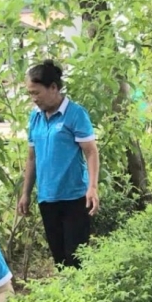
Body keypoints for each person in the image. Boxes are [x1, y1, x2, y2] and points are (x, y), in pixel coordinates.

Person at [17, 60, 100, 269]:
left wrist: (92, 187)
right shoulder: (35, 117)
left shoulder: (75, 114)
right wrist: (26, 193)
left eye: (37, 93)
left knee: (77, 259)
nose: (34, 99)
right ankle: (65, 299)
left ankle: (81, 299)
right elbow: (32, 157)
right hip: (47, 198)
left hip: (74, 198)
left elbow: (90, 152)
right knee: (59, 260)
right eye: (30, 94)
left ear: (53, 87)